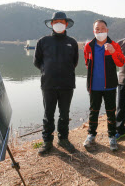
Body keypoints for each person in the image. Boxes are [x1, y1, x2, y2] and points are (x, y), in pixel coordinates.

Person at [33, 12, 79, 155]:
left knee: (64, 114)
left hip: (67, 84)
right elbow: (37, 62)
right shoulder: (43, 41)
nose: (59, 24)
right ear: (52, 24)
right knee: (48, 114)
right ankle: (47, 142)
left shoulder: (72, 42)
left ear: (66, 24)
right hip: (48, 84)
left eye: (61, 21)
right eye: (56, 21)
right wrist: (47, 70)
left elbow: (75, 62)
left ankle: (63, 139)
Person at [83, 19, 125, 151]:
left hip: (110, 86)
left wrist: (113, 52)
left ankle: (112, 136)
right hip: (94, 86)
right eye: (97, 29)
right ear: (94, 31)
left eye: (102, 28)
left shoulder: (114, 45)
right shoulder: (88, 46)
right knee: (93, 112)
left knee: (111, 112)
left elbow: (121, 63)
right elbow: (86, 63)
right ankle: (91, 135)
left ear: (107, 30)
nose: (100, 31)